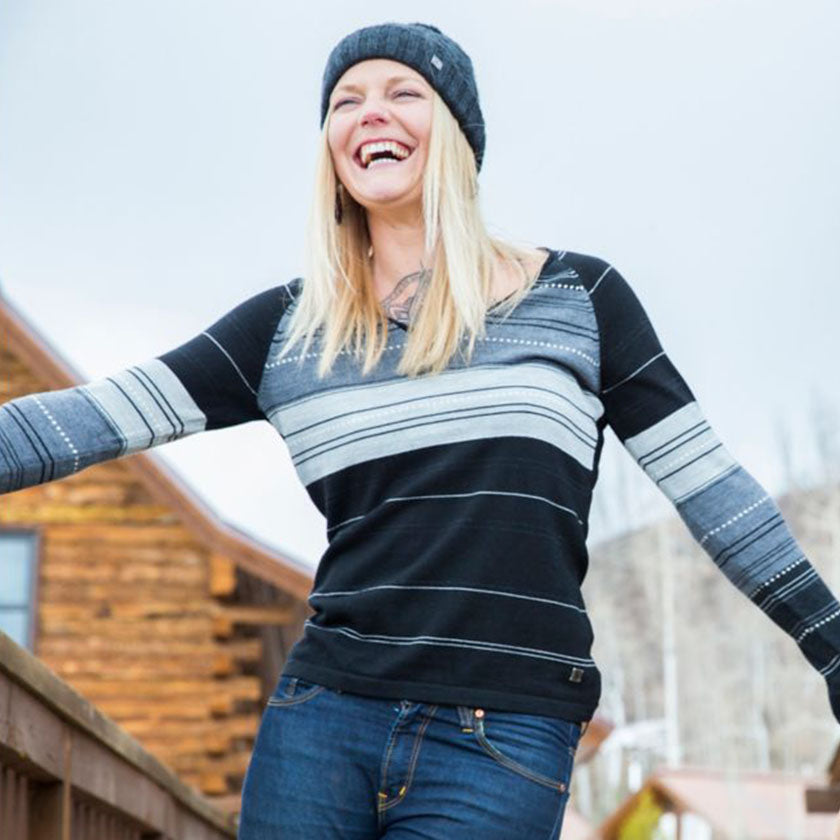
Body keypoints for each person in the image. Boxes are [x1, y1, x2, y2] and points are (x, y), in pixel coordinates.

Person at [1, 20, 839, 839]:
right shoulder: (289, 330)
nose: (370, 111)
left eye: (404, 92)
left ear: (459, 135)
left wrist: (830, 643)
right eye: (345, 100)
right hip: (321, 722)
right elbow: (84, 420)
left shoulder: (578, 301)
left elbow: (714, 494)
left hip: (504, 734)